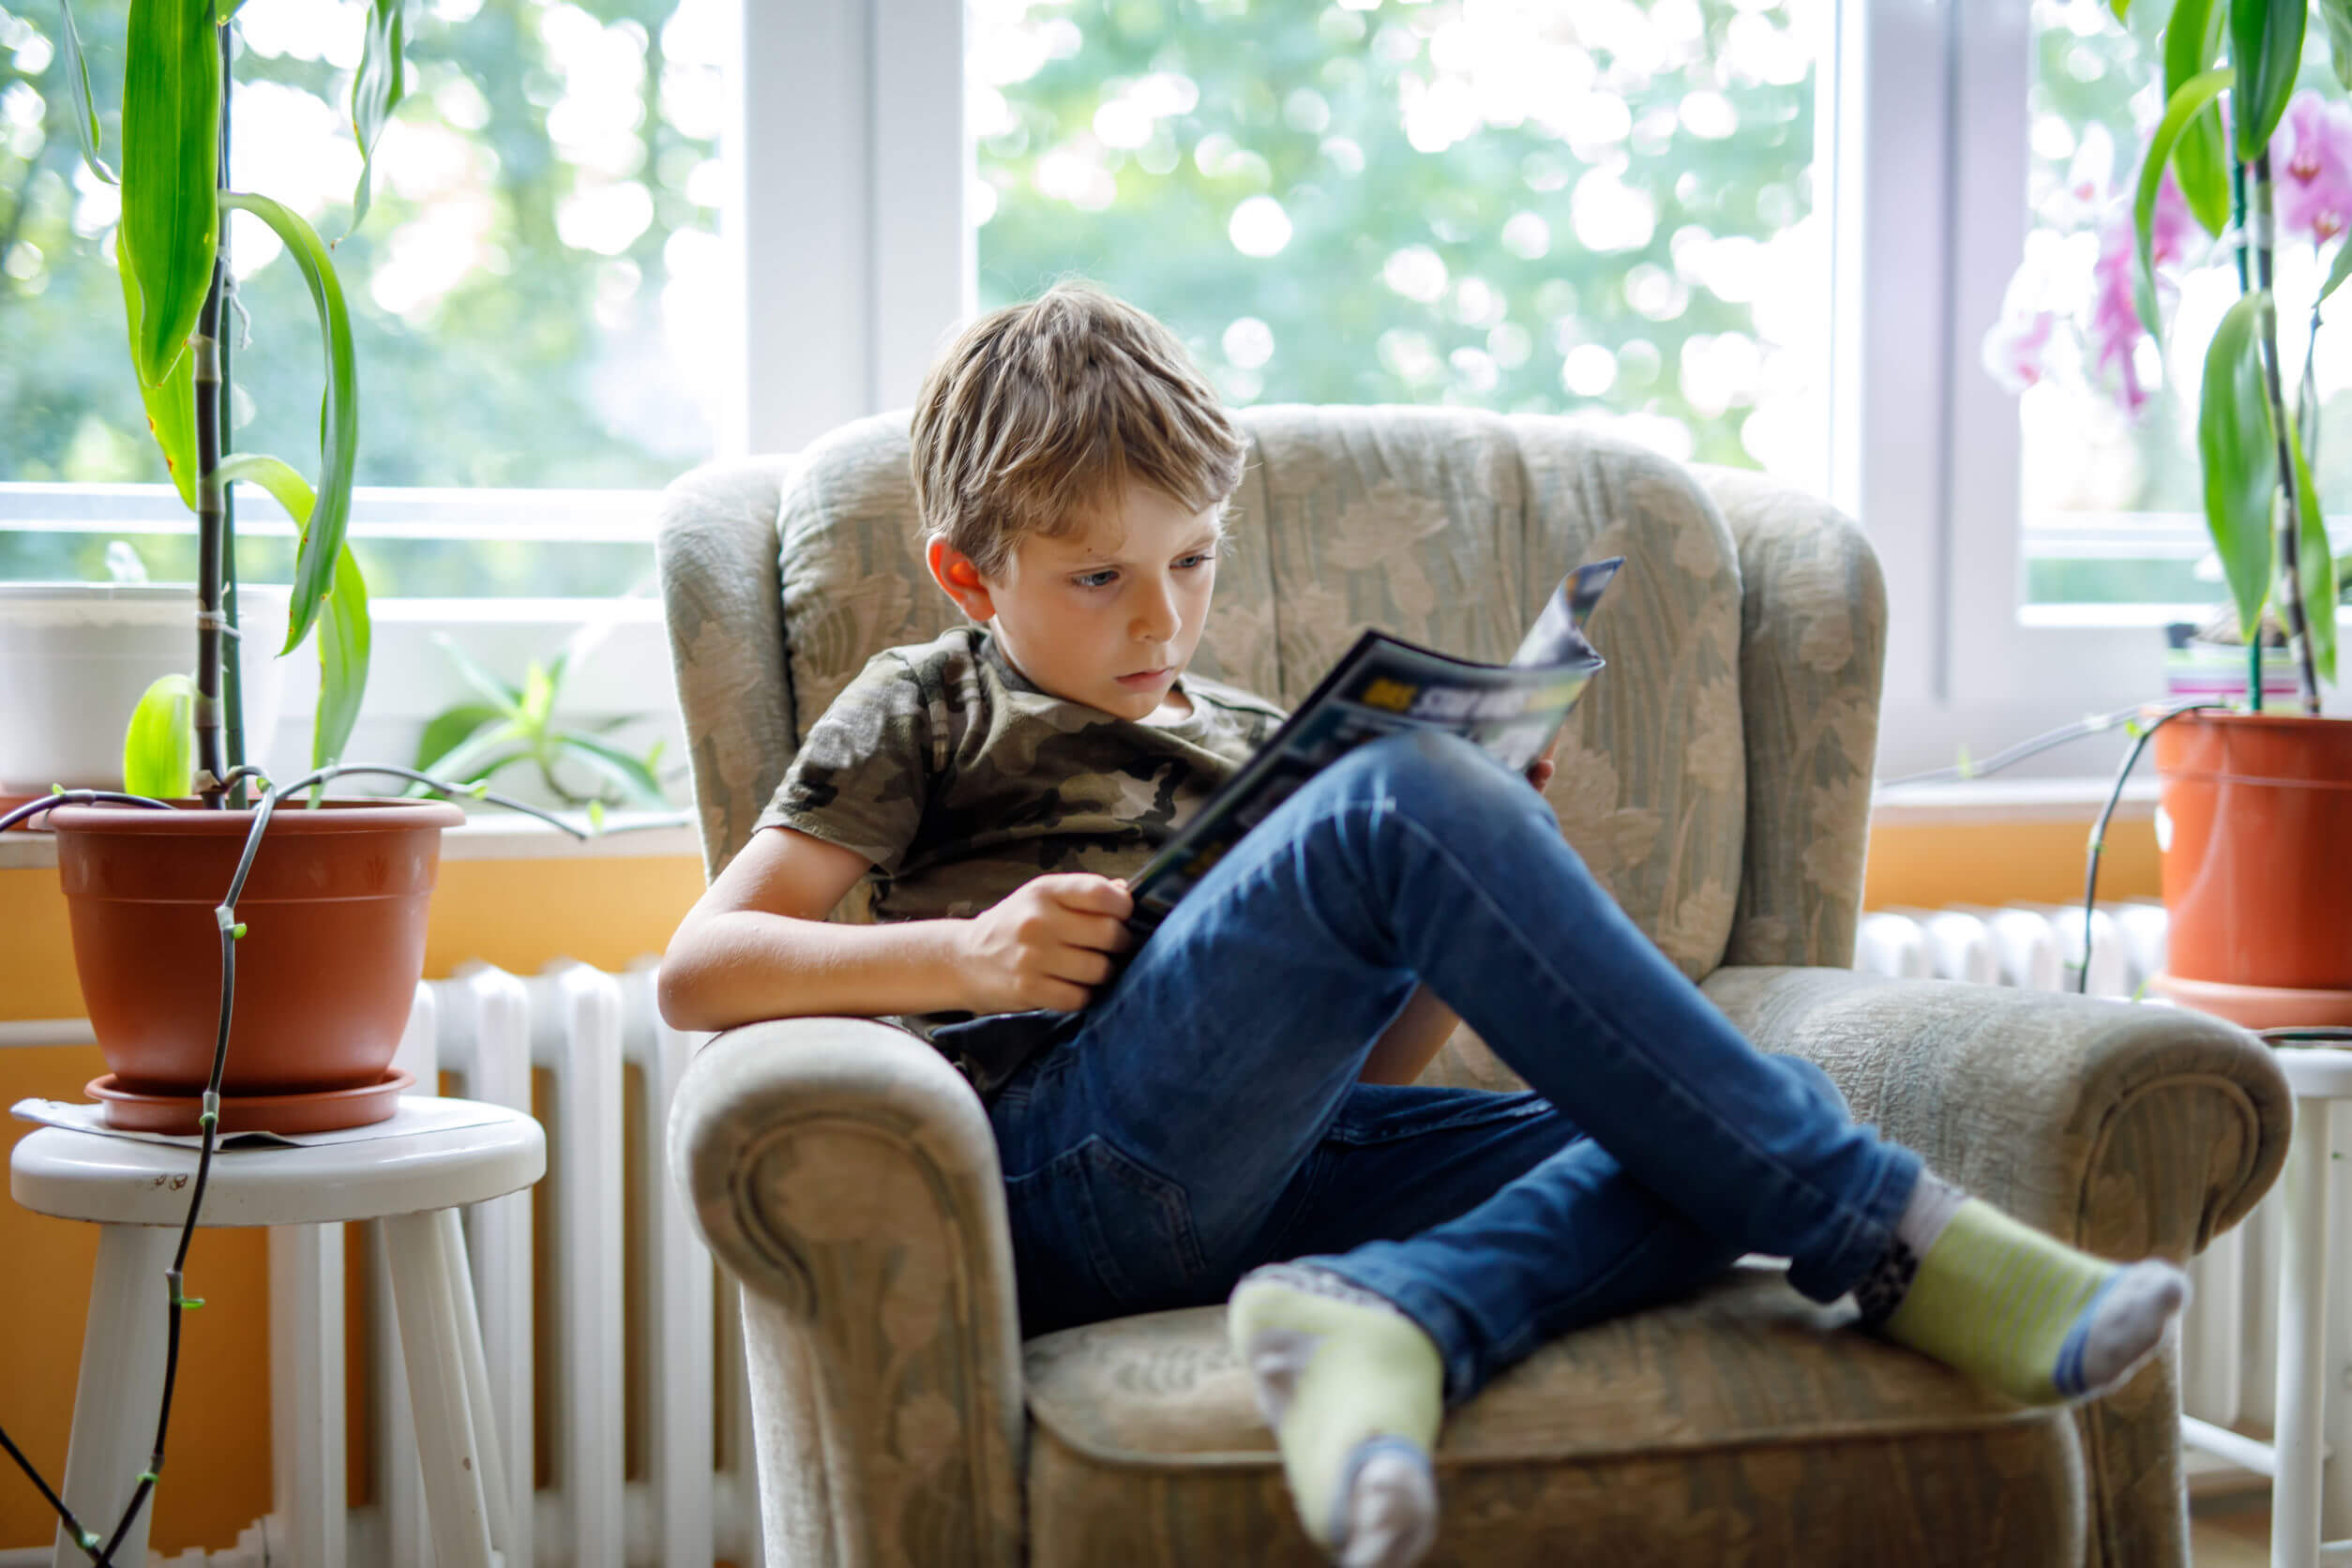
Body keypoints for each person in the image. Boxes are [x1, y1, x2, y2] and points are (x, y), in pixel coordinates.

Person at [658, 282, 2189, 1568]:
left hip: (1285, 1169)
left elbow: (1371, 1074)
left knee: (1716, 1128)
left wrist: (1473, 856)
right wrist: (964, 955)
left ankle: (1397, 1315)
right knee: (1408, 801)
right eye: (1098, 578)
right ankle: (1889, 1232)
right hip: (1065, 1169)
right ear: (967, 575)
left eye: (1191, 564)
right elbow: (703, 968)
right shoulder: (925, 703)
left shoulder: (1261, 736)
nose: (1158, 622)